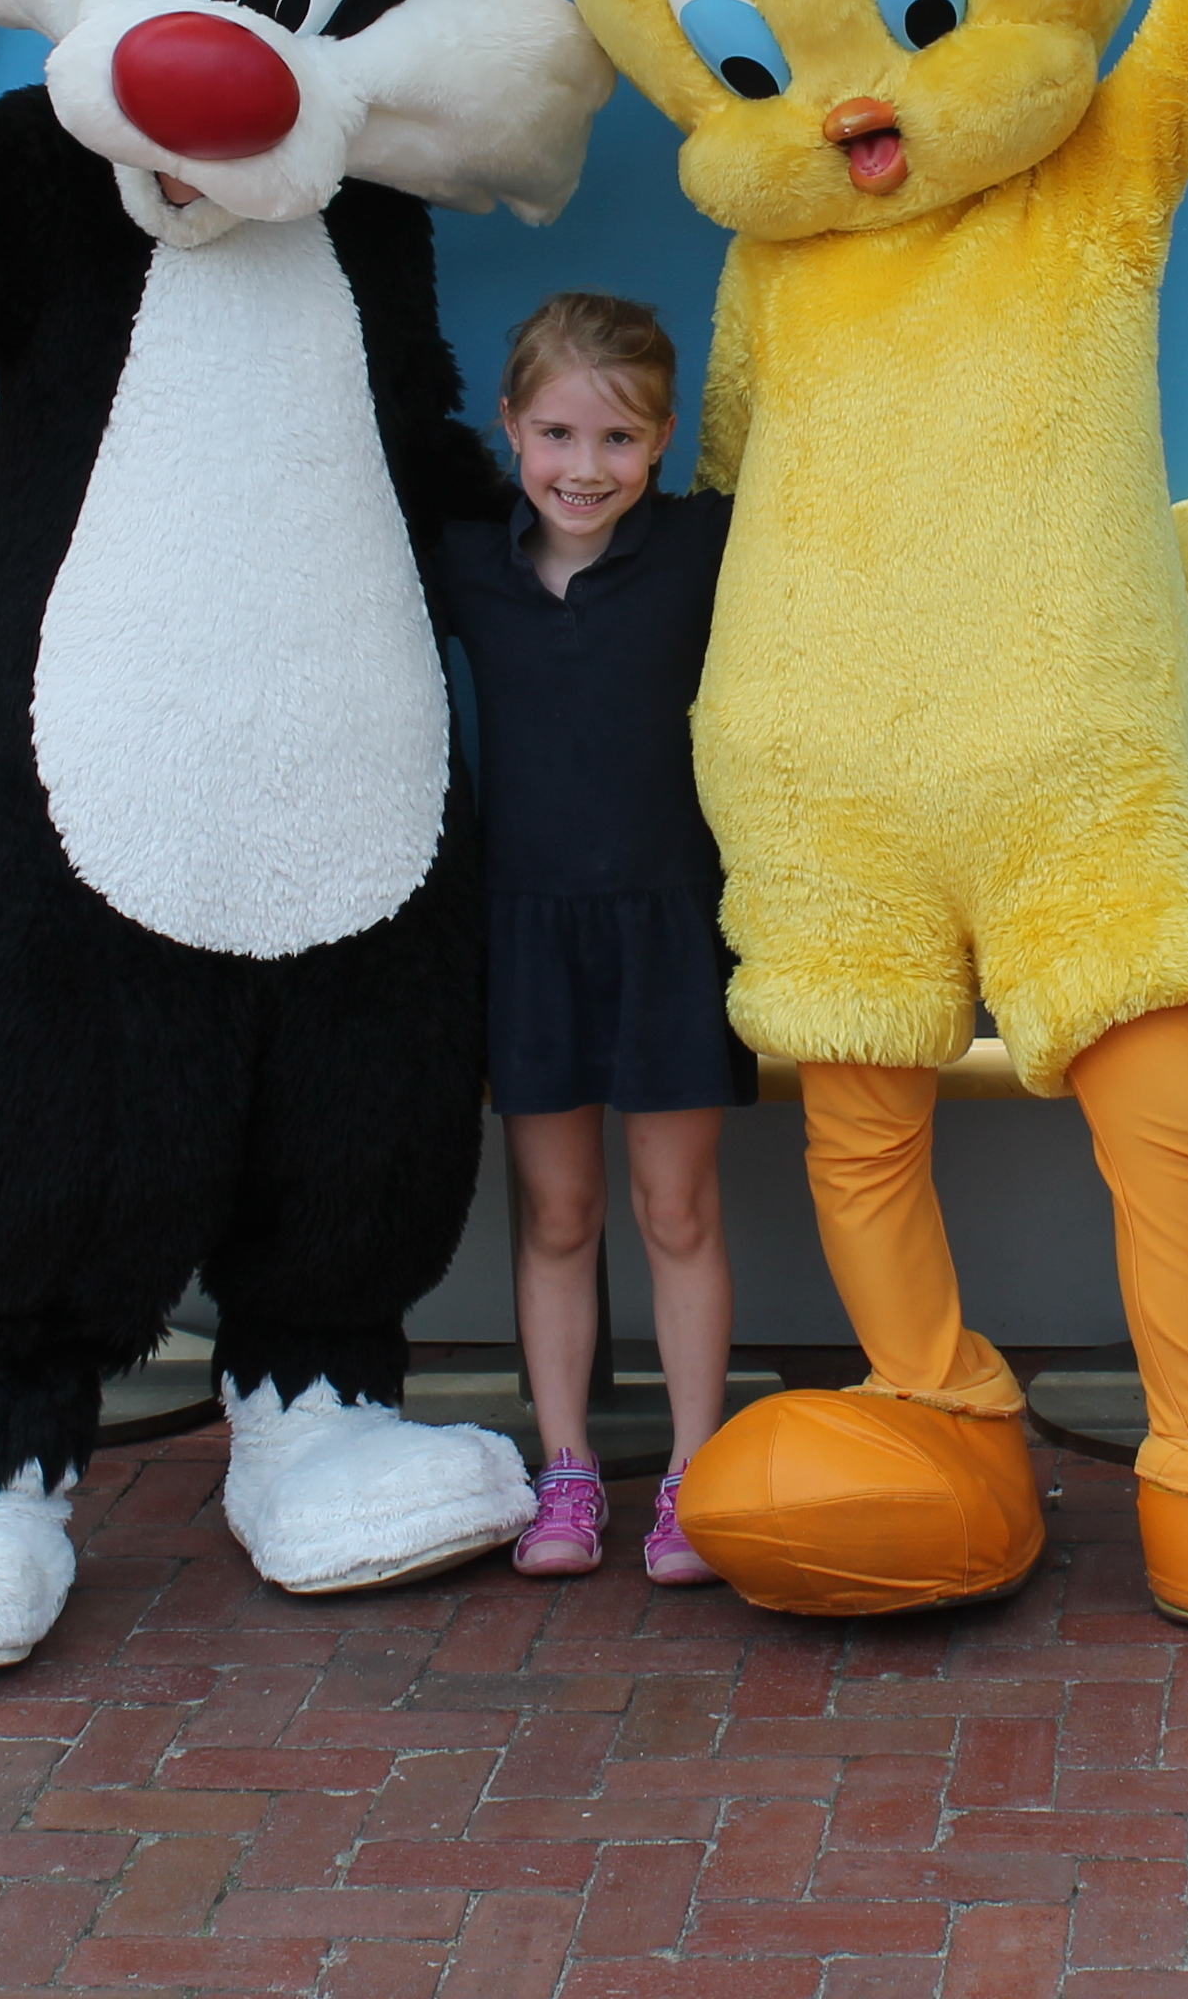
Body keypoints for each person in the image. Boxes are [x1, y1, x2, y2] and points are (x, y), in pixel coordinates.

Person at [437, 293, 750, 1583]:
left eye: (619, 439)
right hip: (526, 932)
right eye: (558, 434)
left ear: (664, 439)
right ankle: (565, 1468)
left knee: (676, 1205)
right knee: (558, 1213)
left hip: (671, 926)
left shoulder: (707, 549)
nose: (585, 467)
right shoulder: (467, 565)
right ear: (510, 426)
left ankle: (694, 1472)